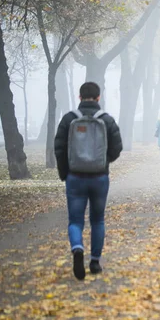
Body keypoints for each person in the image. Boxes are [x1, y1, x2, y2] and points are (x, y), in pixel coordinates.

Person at [54, 82, 123, 280]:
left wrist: (65, 172)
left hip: (75, 177)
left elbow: (59, 147)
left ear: (79, 97)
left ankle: (77, 249)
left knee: (75, 220)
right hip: (99, 177)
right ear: (98, 98)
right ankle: (94, 262)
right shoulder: (106, 120)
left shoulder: (69, 119)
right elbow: (117, 147)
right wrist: (103, 161)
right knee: (97, 219)